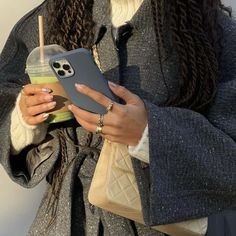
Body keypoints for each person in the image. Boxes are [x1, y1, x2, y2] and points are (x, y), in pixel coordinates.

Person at [0, 0, 235, 235]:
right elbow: (5, 97)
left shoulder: (209, 26)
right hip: (64, 222)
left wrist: (149, 132)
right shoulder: (52, 15)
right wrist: (25, 116)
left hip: (155, 225)